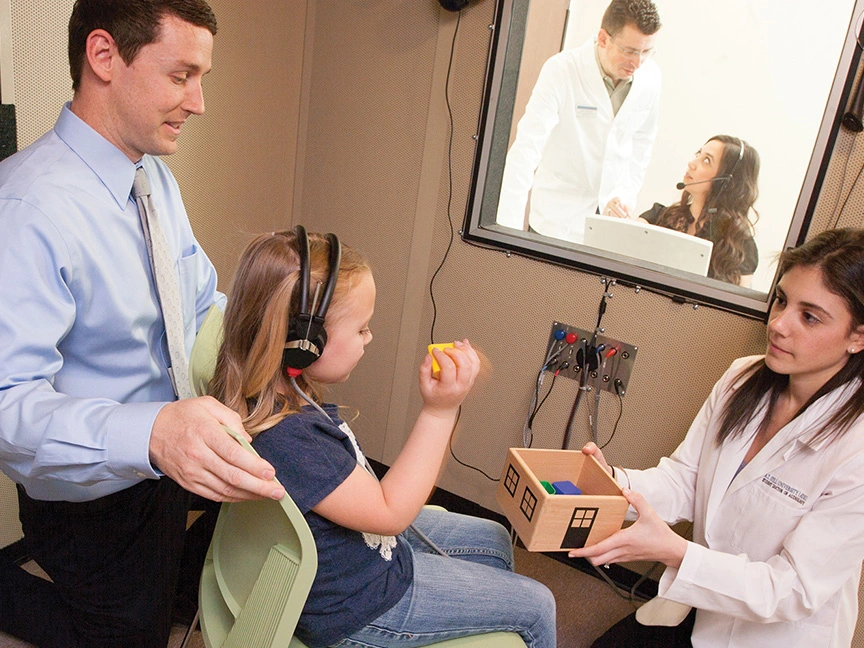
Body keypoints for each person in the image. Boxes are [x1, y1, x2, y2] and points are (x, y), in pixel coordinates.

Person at [0, 1, 283, 647]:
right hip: (85, 494)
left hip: (160, 463)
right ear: (104, 56)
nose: (200, 102)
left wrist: (270, 350)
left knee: (156, 604)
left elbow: (198, 298)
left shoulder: (151, 178)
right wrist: (151, 433)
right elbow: (7, 403)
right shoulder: (24, 210)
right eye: (182, 75)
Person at [209, 228, 557, 648]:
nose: (369, 338)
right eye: (361, 330)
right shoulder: (290, 439)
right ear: (305, 344)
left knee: (495, 539)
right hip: (362, 606)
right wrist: (440, 409)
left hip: (359, 553)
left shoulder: (276, 397)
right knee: (538, 606)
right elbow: (392, 512)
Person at [569, 227, 864, 647]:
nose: (778, 325)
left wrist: (676, 553)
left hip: (772, 634)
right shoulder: (742, 377)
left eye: (810, 316)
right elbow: (686, 479)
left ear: (859, 336)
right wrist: (613, 484)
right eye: (781, 300)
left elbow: (793, 589)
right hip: (700, 604)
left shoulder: (857, 446)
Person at [495, 0, 662, 244]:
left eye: (646, 52)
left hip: (608, 222)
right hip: (556, 220)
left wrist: (625, 196)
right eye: (630, 51)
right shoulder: (562, 70)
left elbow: (642, 142)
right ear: (603, 38)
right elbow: (527, 148)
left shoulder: (651, 78)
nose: (637, 63)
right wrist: (506, 229)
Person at [625, 135, 760, 286]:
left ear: (727, 181)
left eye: (707, 160)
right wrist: (616, 218)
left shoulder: (741, 244)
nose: (691, 164)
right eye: (698, 155)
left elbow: (738, 306)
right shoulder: (657, 216)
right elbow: (623, 249)